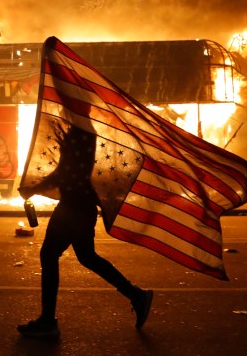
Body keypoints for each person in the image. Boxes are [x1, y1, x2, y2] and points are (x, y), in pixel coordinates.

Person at [17, 125, 153, 338]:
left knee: (49, 254)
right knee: (87, 257)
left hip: (74, 207)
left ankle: (48, 322)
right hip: (81, 205)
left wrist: (33, 189)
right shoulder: (82, 130)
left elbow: (65, 172)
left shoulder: (80, 131)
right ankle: (136, 295)